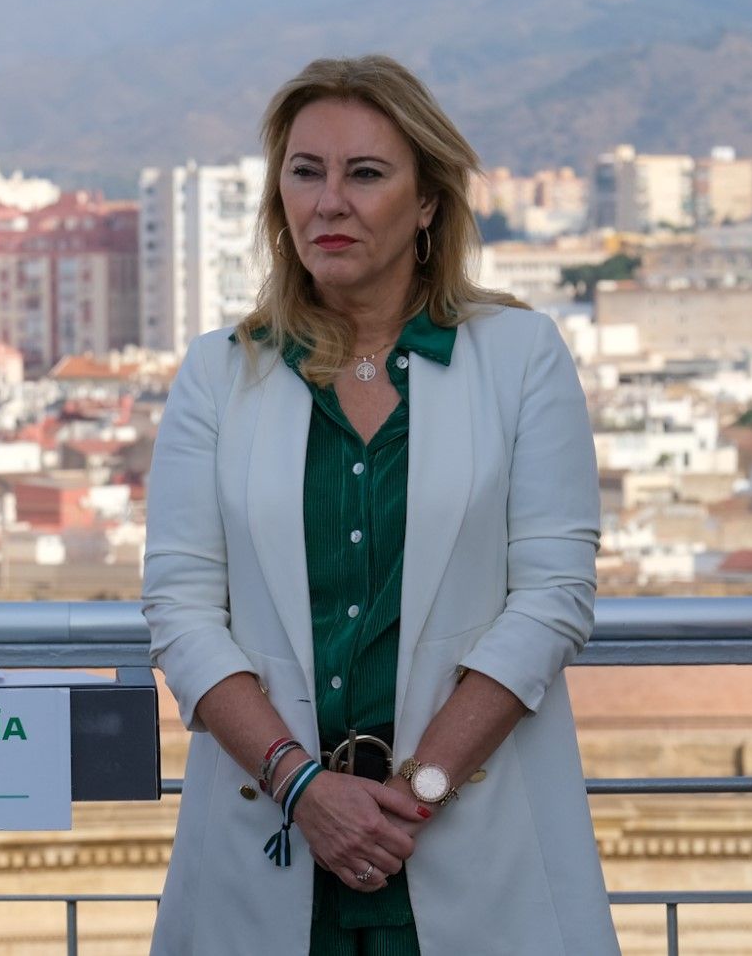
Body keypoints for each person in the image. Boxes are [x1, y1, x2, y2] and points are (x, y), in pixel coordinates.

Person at [142, 57, 619, 955]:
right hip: (267, 846)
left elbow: (553, 594)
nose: (329, 202)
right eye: (304, 171)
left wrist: (418, 788)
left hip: (472, 845)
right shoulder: (219, 372)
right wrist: (304, 790)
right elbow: (180, 607)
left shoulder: (521, 357)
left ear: (429, 201)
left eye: (365, 174)